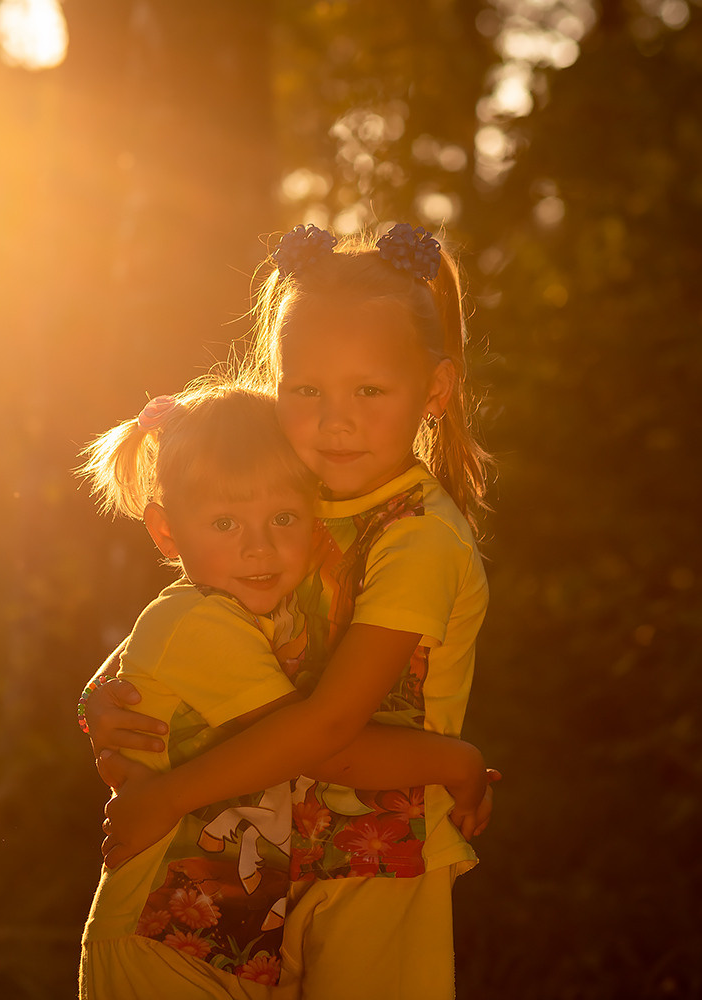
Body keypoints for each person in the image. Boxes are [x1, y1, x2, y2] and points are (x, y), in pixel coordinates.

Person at [87, 223, 495, 999]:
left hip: (383, 857)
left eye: (370, 391)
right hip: (284, 861)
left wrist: (164, 796)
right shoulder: (301, 502)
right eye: (307, 390)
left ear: (434, 392)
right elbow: (200, 618)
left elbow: (332, 728)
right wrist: (106, 701)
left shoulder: (418, 539)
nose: (335, 420)